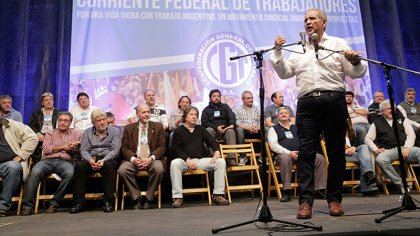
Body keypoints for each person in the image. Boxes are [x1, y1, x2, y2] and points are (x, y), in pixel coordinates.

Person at [270, 8, 367, 219]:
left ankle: (334, 200)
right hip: (306, 104)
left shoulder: (338, 44)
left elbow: (356, 72)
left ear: (324, 22)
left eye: (312, 18)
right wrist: (278, 50)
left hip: (333, 101)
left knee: (336, 153)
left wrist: (356, 61)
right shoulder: (299, 48)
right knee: (306, 154)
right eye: (305, 19)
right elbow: (285, 72)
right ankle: (305, 203)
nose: (308, 22)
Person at [21, 112, 82, 215]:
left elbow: (81, 146)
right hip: (47, 161)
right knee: (34, 172)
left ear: (70, 122)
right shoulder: (50, 133)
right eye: (61, 120)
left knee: (70, 173)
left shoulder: (76, 133)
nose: (63, 123)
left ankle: (54, 203)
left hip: (65, 161)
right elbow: (46, 149)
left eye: (66, 121)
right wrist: (64, 147)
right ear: (58, 121)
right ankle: (28, 206)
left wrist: (76, 145)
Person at [170, 106, 229, 207]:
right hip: (185, 161)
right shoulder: (178, 131)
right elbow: (176, 149)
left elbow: (212, 141)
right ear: (185, 117)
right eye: (191, 114)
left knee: (221, 162)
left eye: (196, 115)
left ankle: (217, 195)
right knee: (174, 163)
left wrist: (217, 151)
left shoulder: (200, 129)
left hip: (200, 160)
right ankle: (177, 197)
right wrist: (187, 159)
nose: (194, 117)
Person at [268, 107, 326, 202]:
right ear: (278, 117)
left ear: (289, 116)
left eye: (285, 113)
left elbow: (305, 141)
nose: (283, 114)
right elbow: (273, 145)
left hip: (301, 153)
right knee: (285, 159)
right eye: (281, 113)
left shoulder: (296, 128)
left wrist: (304, 151)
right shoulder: (273, 129)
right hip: (283, 154)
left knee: (319, 158)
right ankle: (287, 191)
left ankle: (319, 190)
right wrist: (289, 153)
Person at [70, 109, 121, 214]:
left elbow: (115, 150)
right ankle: (79, 203)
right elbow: (83, 150)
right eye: (99, 120)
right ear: (93, 123)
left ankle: (108, 202)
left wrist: (103, 160)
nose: (102, 122)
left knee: (109, 166)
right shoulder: (88, 132)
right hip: (92, 158)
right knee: (80, 166)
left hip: (108, 158)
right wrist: (89, 160)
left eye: (104, 119)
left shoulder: (115, 131)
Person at [365, 100, 420, 193]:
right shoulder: (377, 123)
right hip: (388, 150)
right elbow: (368, 139)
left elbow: (411, 135)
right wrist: (375, 149)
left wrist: (407, 148)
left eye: (393, 108)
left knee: (419, 151)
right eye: (389, 108)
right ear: (382, 111)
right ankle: (400, 185)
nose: (392, 110)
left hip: (404, 148)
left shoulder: (403, 119)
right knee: (380, 160)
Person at [119, 104, 165, 210]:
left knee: (158, 169)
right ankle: (136, 197)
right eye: (144, 112)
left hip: (152, 159)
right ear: (137, 114)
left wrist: (151, 158)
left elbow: (162, 147)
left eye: (148, 112)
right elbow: (124, 148)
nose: (147, 114)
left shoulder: (158, 126)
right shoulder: (129, 128)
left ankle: (149, 198)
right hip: (135, 159)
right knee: (123, 170)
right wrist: (134, 159)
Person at [0, 118, 38, 216]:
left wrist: (21, 155)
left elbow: (32, 137)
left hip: (7, 163)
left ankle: (3, 206)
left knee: (13, 167)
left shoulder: (11, 125)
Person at [201, 89, 237, 166]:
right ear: (210, 98)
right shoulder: (206, 110)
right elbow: (204, 122)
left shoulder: (225, 107)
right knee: (208, 130)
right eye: (214, 96)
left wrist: (231, 125)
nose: (216, 98)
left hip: (225, 129)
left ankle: (231, 158)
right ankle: (213, 155)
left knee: (231, 131)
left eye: (218, 96)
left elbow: (232, 116)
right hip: (213, 130)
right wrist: (216, 127)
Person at [344, 117, 378, 197]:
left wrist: (353, 147)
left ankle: (368, 174)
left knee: (364, 147)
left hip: (351, 154)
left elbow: (354, 145)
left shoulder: (350, 131)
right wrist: (345, 150)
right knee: (365, 157)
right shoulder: (330, 131)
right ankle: (369, 188)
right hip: (338, 155)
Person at [28, 92, 60, 163]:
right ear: (42, 103)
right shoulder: (36, 113)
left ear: (53, 101)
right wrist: (37, 134)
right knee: (33, 143)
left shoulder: (59, 113)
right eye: (46, 100)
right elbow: (31, 126)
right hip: (40, 136)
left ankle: (53, 162)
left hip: (54, 135)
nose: (48, 101)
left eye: (50, 100)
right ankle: (38, 163)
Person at [234, 91, 260, 165]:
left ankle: (264, 156)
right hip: (244, 131)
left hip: (256, 130)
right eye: (248, 98)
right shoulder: (237, 109)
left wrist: (257, 128)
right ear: (243, 100)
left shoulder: (257, 108)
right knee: (239, 130)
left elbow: (262, 121)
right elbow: (237, 123)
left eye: (252, 98)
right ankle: (243, 157)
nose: (251, 99)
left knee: (267, 129)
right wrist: (248, 128)